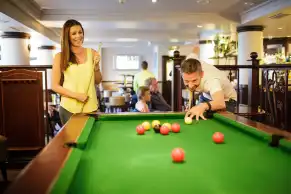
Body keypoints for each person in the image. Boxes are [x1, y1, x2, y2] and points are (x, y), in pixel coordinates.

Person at [52, 19, 102, 125]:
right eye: (74, 33)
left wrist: (96, 66)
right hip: (68, 110)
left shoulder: (92, 53)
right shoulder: (59, 57)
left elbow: (97, 81)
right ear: (67, 37)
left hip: (91, 108)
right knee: (72, 141)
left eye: (80, 32)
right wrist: (76, 95)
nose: (78, 36)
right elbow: (55, 86)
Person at [182, 53, 237, 121]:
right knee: (196, 117)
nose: (190, 86)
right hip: (206, 96)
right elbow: (193, 54)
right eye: (186, 81)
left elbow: (220, 103)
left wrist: (202, 106)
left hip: (226, 101)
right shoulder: (190, 63)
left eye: (194, 80)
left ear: (202, 74)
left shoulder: (212, 80)